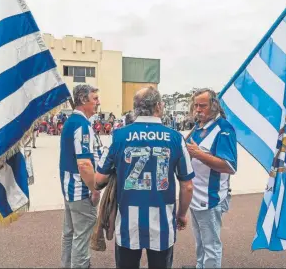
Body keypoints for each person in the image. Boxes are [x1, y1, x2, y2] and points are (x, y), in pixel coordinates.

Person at [94, 86, 194, 269]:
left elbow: (99, 179)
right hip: (162, 222)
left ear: (135, 107)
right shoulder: (175, 138)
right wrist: (181, 215)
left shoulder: (118, 136)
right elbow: (187, 185)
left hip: (128, 223)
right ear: (158, 106)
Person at [185, 88, 237, 269]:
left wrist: (198, 154)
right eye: (196, 105)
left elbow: (229, 166)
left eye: (203, 106)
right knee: (200, 240)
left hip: (210, 198)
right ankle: (201, 265)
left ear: (214, 106)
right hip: (195, 195)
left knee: (211, 243)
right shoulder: (198, 128)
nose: (198, 109)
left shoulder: (224, 129)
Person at [59, 84, 102, 268]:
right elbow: (84, 164)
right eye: (95, 99)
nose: (98, 102)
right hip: (81, 189)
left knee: (70, 233)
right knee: (82, 237)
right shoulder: (82, 125)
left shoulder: (71, 122)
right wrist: (94, 189)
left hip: (70, 188)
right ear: (83, 100)